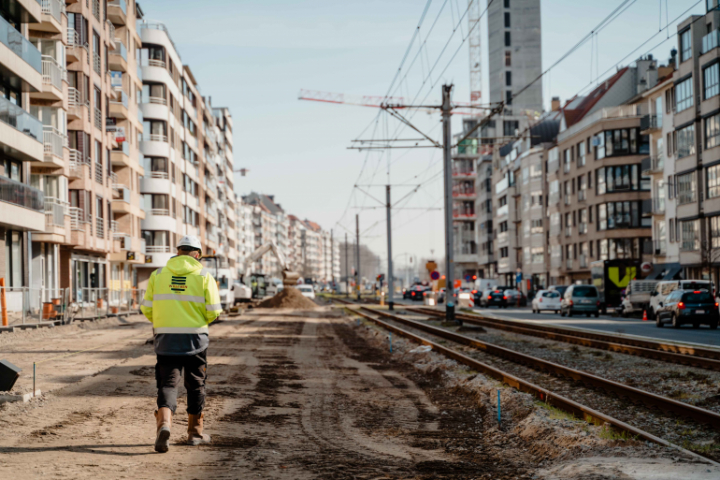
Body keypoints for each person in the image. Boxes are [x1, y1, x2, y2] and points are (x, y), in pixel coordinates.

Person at [141, 235, 223, 453]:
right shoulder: (205, 276)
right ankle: (194, 434)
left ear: (178, 252)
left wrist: (166, 322)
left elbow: (147, 308)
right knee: (196, 384)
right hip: (195, 338)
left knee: (168, 383)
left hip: (166, 338)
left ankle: (164, 424)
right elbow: (214, 311)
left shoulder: (157, 275)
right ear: (197, 254)